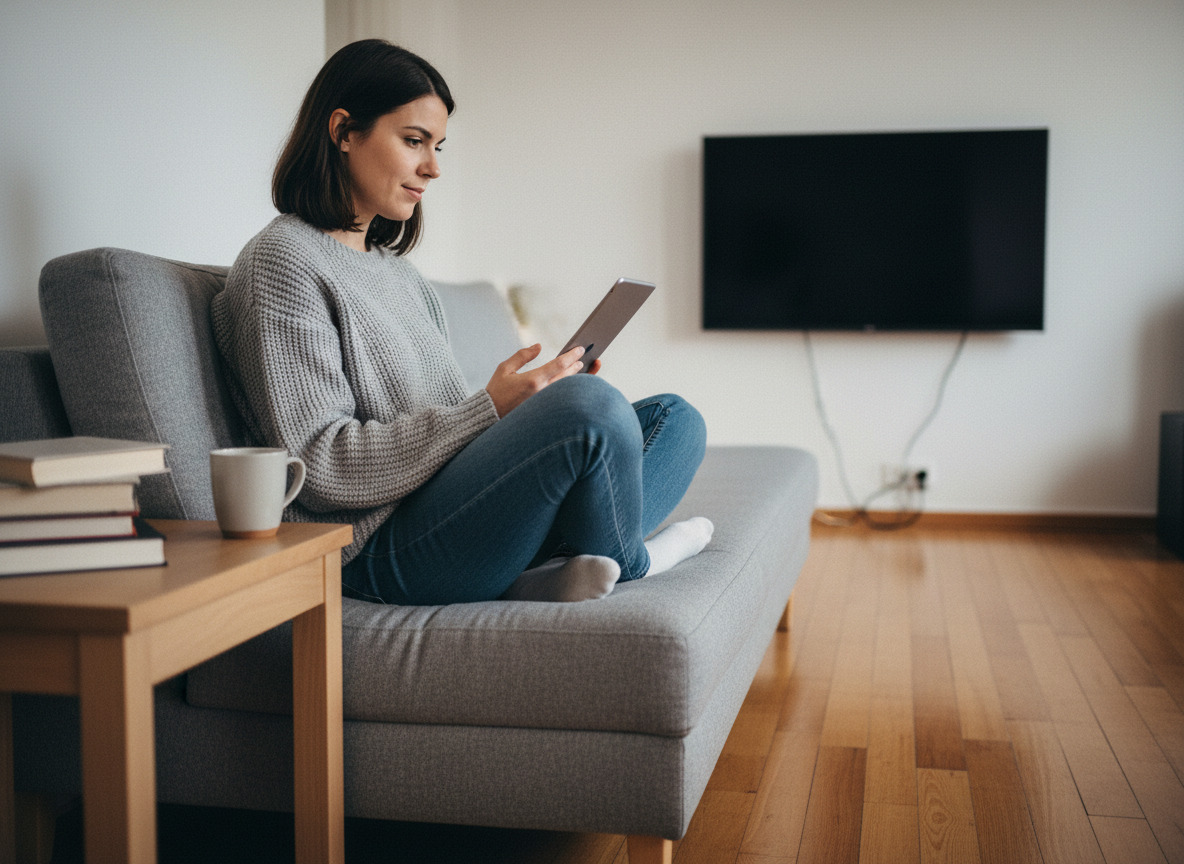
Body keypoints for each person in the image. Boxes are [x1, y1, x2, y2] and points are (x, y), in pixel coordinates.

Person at [211, 39, 712, 605]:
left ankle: (550, 567)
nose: (434, 167)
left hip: (448, 506)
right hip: (378, 546)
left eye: (438, 145)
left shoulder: (398, 274)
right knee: (593, 413)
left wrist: (530, 405)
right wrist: (493, 409)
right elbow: (321, 465)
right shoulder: (282, 261)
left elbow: (443, 427)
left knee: (675, 419)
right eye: (414, 141)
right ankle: (637, 562)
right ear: (344, 131)